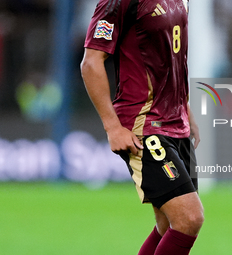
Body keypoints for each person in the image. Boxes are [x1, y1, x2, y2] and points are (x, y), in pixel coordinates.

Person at [80, 0, 204, 254]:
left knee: (167, 223)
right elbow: (91, 63)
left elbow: (171, 60)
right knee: (189, 218)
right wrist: (112, 127)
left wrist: (185, 109)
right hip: (144, 123)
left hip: (175, 123)